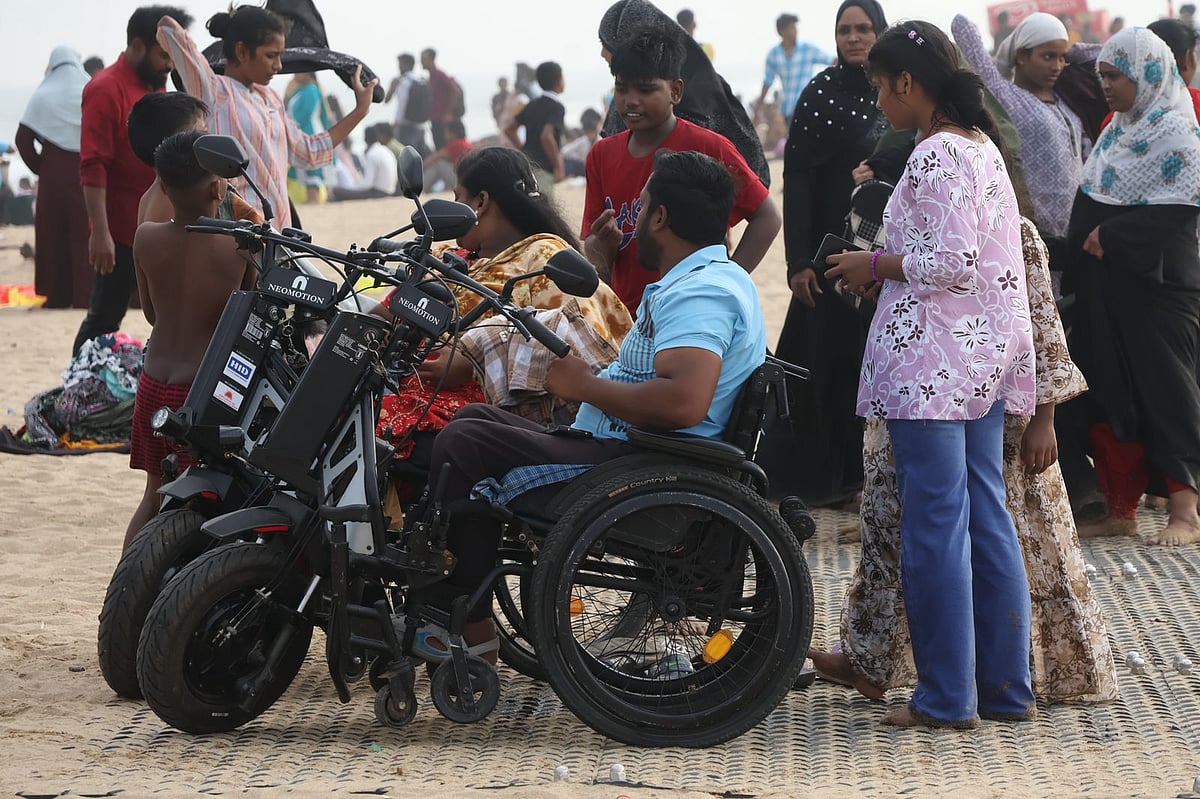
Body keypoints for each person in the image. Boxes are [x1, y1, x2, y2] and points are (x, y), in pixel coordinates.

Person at [419, 149, 767, 653]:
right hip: (632, 448)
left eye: (641, 207)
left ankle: (462, 623)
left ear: (660, 217)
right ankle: (461, 611)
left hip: (644, 463)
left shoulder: (701, 293)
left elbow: (684, 403)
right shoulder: (715, 278)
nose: (634, 222)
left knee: (464, 441)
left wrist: (584, 386)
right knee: (476, 417)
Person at [812, 197, 1119, 708]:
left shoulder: (1014, 233)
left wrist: (1044, 419)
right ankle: (873, 658)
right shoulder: (923, 229)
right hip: (918, 402)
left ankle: (1012, 674)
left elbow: (1040, 328)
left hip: (996, 415)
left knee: (1007, 539)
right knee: (892, 537)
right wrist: (883, 282)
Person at [824, 20, 1036, 729]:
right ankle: (1006, 689)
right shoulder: (983, 148)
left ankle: (946, 698)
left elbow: (951, 262)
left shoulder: (937, 153)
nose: (879, 101)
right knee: (986, 518)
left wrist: (871, 264)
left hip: (932, 365)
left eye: (881, 88)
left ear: (907, 83)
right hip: (982, 358)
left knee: (936, 526)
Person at [373, 146, 633, 479]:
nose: (453, 210)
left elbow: (572, 348)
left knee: (376, 428)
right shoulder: (451, 257)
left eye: (458, 198)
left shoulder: (543, 258)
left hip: (488, 405)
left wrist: (472, 361)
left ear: (481, 201)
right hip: (401, 380)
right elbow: (385, 311)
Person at [1061, 27, 1200, 546]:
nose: (1106, 86)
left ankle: (1186, 511)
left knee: (1167, 392)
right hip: (1107, 290)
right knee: (1107, 390)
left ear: (1148, 74)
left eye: (1116, 76)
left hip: (1158, 290)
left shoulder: (1177, 132)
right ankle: (1120, 509)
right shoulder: (1116, 131)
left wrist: (1112, 237)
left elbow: (1181, 205)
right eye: (1103, 75)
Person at [756, 0, 888, 508]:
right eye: (845, 30)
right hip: (831, 256)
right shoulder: (821, 94)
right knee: (826, 366)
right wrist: (798, 263)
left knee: (873, 364)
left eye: (864, 29)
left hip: (889, 256)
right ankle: (836, 482)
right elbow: (799, 181)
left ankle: (869, 477)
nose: (854, 38)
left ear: (880, 32)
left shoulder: (896, 90)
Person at [583, 24, 780, 314]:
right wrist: (602, 242)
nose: (631, 100)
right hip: (628, 315)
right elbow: (592, 247)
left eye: (646, 89)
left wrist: (728, 280)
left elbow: (767, 217)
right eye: (621, 89)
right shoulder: (601, 155)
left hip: (694, 311)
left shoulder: (708, 146)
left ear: (675, 91)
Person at [126, 130, 258, 548]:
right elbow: (246, 317)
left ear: (163, 188)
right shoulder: (240, 244)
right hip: (200, 394)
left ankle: (125, 584)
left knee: (152, 496)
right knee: (204, 496)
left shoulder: (145, 238)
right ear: (219, 188)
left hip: (153, 384)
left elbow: (151, 314)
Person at [158, 4, 377, 229]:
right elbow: (167, 27)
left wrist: (360, 110)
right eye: (271, 55)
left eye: (280, 55)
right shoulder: (214, 91)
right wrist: (232, 22)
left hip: (279, 232)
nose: (279, 65)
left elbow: (308, 151)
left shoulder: (271, 99)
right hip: (239, 233)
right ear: (241, 52)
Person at [72, 5, 192, 357]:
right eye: (163, 54)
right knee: (105, 317)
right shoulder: (105, 88)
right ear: (138, 45)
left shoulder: (159, 84)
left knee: (171, 313)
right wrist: (100, 232)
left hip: (164, 222)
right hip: (121, 229)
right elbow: (93, 165)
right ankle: (78, 381)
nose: (169, 63)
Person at [598, 0, 769, 188]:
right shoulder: (622, 105)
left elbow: (746, 176)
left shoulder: (707, 121)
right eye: (622, 89)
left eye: (606, 42)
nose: (602, 52)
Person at [15, 45, 91, 309]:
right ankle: (84, 297)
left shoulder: (43, 94)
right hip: (85, 170)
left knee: (53, 234)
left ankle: (57, 297)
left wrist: (41, 168)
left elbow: (22, 139)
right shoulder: (88, 89)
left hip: (52, 174)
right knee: (84, 233)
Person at [126, 92, 262, 227]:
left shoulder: (157, 194)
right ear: (176, 144)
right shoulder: (175, 200)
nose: (209, 140)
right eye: (201, 133)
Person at [755, 13, 835, 124]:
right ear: (782, 31)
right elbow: (767, 81)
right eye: (791, 28)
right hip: (787, 110)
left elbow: (831, 60)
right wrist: (758, 109)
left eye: (795, 27)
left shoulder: (807, 49)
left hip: (807, 106)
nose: (795, 31)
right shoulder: (774, 54)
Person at [505, 61, 566, 200]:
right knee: (545, 206)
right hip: (545, 167)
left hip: (529, 165)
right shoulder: (557, 107)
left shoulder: (532, 104)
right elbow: (546, 136)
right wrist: (558, 166)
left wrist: (523, 150)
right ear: (559, 82)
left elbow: (509, 130)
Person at [284, 72, 332, 205]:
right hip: (299, 133)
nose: (294, 75)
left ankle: (314, 201)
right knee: (304, 173)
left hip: (309, 133)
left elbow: (305, 114)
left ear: (307, 73)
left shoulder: (311, 89)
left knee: (312, 172)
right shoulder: (300, 90)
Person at [329, 123, 396, 201]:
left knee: (337, 191)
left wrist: (354, 188)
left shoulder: (372, 154)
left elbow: (367, 184)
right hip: (390, 191)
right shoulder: (384, 150)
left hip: (379, 193)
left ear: (365, 139)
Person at [385, 53, 430, 157]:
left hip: (406, 126)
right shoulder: (421, 80)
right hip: (421, 126)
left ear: (406, 64)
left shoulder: (404, 82)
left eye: (400, 64)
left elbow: (402, 104)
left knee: (406, 158)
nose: (399, 67)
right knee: (419, 158)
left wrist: (396, 124)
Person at [422, 48, 459, 150]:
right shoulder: (431, 77)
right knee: (438, 146)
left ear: (431, 59)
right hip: (435, 118)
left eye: (424, 59)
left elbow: (455, 91)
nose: (421, 62)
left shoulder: (439, 74)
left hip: (442, 120)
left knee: (443, 148)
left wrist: (449, 113)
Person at [422, 119, 472, 194]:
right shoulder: (466, 143)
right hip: (466, 180)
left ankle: (420, 188)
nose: (444, 135)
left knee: (438, 163)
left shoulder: (456, 144)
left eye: (446, 132)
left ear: (453, 133)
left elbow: (435, 157)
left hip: (461, 182)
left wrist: (419, 168)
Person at [562, 108, 602, 177]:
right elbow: (565, 151)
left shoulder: (602, 140)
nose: (589, 135)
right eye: (587, 132)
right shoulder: (583, 141)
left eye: (591, 132)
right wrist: (579, 157)